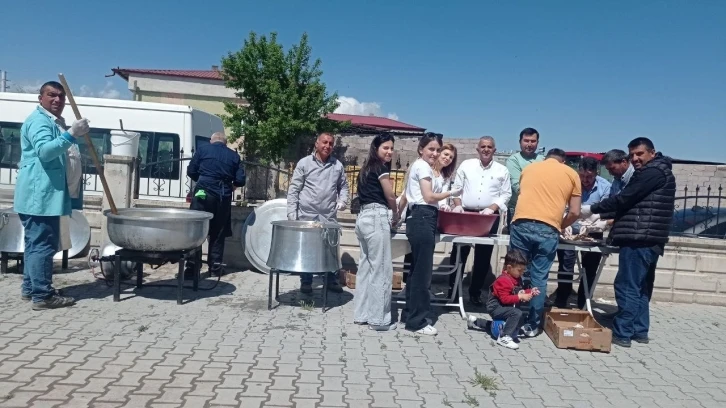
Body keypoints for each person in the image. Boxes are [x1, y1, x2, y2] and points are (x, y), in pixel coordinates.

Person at [583, 137, 676, 347]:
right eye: (632, 154)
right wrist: (602, 216)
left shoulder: (653, 172)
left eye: (639, 154)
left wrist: (592, 209)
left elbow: (625, 198)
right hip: (649, 238)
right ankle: (640, 331)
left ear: (652, 153)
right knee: (641, 287)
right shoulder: (656, 172)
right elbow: (629, 202)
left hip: (639, 238)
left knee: (627, 286)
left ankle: (622, 333)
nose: (635, 158)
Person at [14, 81, 88, 310]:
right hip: (40, 197)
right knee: (43, 245)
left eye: (61, 96)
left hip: (42, 196)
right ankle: (43, 296)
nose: (57, 100)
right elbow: (46, 152)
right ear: (41, 98)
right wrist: (72, 134)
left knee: (35, 244)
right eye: (51, 95)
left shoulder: (51, 121)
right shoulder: (39, 121)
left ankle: (31, 288)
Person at [508, 148, 581, 337]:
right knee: (539, 278)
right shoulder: (571, 174)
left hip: (521, 222)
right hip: (548, 228)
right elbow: (575, 212)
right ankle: (532, 325)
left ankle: (510, 318)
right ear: (563, 161)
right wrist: (559, 225)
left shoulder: (529, 169)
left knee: (515, 272)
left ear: (546, 158)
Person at [399, 134, 461, 335]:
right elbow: (428, 197)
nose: (435, 153)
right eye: (431, 149)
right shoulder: (423, 167)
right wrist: (451, 193)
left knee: (416, 271)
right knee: (422, 273)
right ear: (421, 149)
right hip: (423, 216)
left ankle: (409, 314)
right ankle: (417, 321)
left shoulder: (420, 166)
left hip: (422, 216)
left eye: (437, 150)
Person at [447, 136, 512, 305]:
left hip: (489, 216)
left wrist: (492, 207)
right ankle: (452, 291)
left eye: (489, 147)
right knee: (459, 253)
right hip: (466, 214)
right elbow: (456, 188)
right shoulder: (466, 165)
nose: (486, 149)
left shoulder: (502, 170)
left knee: (483, 256)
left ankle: (475, 293)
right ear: (477, 149)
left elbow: (506, 194)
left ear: (494, 150)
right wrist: (458, 206)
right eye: (483, 146)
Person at [287, 132, 349, 294]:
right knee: (307, 249)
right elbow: (294, 189)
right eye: (324, 142)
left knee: (330, 249)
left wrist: (343, 201)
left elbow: (343, 186)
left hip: (328, 216)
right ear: (317, 144)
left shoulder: (337, 166)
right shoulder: (304, 163)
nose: (327, 146)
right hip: (307, 214)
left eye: (330, 143)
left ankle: (331, 280)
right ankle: (306, 282)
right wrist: (292, 214)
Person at [353, 133, 399, 331]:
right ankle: (379, 320)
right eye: (385, 148)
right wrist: (396, 212)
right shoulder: (381, 168)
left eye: (391, 148)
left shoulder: (365, 169)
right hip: (376, 217)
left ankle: (361, 315)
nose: (389, 152)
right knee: (381, 269)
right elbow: (390, 195)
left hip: (363, 218)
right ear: (376, 148)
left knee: (365, 268)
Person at [553, 157, 611, 308]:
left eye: (589, 177)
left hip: (593, 230)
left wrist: (597, 223)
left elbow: (606, 209)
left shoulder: (605, 187)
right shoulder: (570, 182)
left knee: (590, 269)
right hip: (569, 229)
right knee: (566, 266)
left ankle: (583, 304)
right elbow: (561, 204)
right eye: (582, 176)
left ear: (596, 173)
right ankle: (561, 301)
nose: (585, 180)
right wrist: (564, 222)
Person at [185, 132, 246, 277]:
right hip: (222, 196)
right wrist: (232, 185)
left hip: (202, 193)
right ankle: (215, 268)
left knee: (196, 229)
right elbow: (240, 180)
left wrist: (203, 180)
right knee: (218, 232)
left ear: (211, 141)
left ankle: (192, 268)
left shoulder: (202, 150)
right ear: (225, 143)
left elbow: (191, 171)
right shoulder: (234, 156)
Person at [467, 249, 539, 350]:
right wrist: (520, 297)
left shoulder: (516, 278)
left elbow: (519, 291)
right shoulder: (503, 280)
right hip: (495, 307)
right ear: (509, 268)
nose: (522, 273)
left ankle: (475, 321)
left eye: (523, 270)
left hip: (504, 306)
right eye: (520, 270)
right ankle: (504, 337)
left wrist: (530, 292)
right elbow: (505, 299)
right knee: (516, 313)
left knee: (503, 324)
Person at [505, 128, 544, 225]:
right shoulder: (513, 160)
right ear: (520, 142)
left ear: (537, 143)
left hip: (540, 210)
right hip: (517, 209)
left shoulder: (543, 160)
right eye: (526, 141)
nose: (529, 144)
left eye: (533, 141)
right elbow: (516, 186)